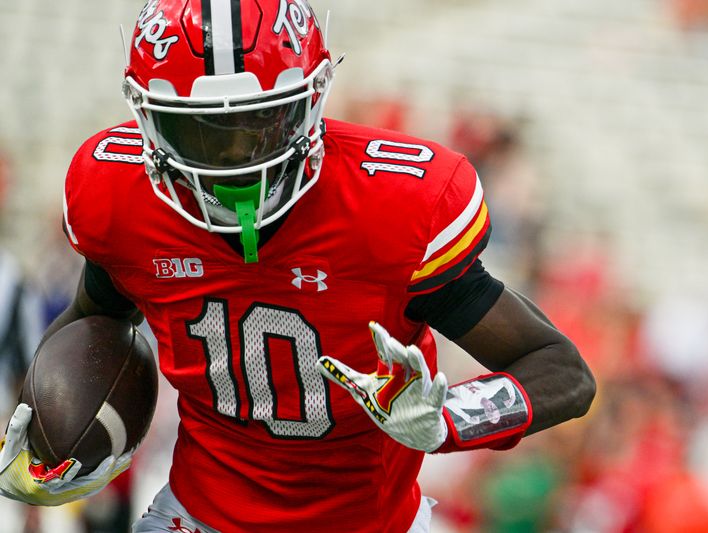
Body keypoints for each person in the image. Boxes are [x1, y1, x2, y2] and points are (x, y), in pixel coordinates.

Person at [0, 0, 595, 531]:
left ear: (311, 101)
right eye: (199, 132)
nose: (232, 163)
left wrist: (450, 419)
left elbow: (564, 370)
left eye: (258, 123)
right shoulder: (121, 199)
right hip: (198, 516)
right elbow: (93, 322)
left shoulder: (391, 211)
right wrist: (47, 438)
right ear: (148, 120)